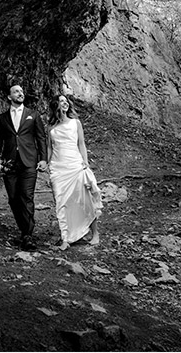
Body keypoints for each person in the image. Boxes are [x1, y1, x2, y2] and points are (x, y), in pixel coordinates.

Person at [0, 84, 47, 251]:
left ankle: (27, 234)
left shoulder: (33, 115)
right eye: (16, 91)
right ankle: (24, 229)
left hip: (29, 162)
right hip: (8, 164)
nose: (20, 93)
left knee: (26, 196)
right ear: (9, 97)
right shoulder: (1, 118)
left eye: (22, 91)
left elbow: (41, 138)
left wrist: (43, 159)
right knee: (13, 198)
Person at [47, 94, 103, 251]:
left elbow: (81, 143)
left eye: (66, 101)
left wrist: (85, 163)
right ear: (55, 105)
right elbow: (50, 148)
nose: (64, 104)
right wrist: (47, 162)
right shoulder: (51, 128)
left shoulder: (75, 123)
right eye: (61, 101)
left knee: (84, 199)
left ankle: (95, 233)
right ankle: (66, 238)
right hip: (58, 168)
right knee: (61, 201)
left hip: (75, 165)